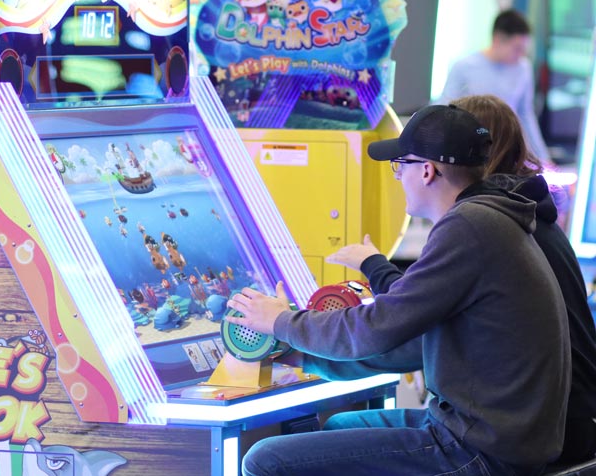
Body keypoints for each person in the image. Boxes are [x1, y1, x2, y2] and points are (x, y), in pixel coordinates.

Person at [225, 104, 571, 475]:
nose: (396, 177)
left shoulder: (469, 228)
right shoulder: (491, 219)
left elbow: (377, 326)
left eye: (400, 165)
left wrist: (280, 322)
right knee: (344, 424)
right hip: (502, 437)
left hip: (480, 450)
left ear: (427, 170)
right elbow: (412, 341)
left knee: (265, 460)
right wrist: (303, 354)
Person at [329, 93, 596, 467]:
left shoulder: (483, 224)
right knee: (343, 427)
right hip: (563, 422)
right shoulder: (520, 212)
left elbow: (411, 326)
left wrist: (297, 344)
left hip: (526, 433)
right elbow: (429, 308)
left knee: (270, 459)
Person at [438, 9, 552, 164]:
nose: (521, 54)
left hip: (507, 149)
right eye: (517, 48)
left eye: (524, 50)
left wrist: (543, 157)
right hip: (471, 149)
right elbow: (445, 110)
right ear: (498, 39)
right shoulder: (464, 67)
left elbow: (526, 115)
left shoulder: (523, 68)